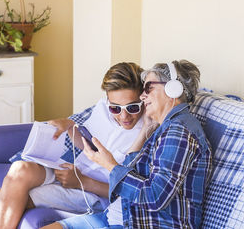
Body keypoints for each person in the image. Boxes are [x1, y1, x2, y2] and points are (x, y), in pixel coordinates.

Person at [43, 60, 213, 229]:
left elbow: (154, 197)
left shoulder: (179, 133)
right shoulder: (163, 128)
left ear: (172, 90)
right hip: (118, 217)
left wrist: (109, 165)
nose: (143, 96)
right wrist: (146, 129)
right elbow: (130, 170)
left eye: (148, 88)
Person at [0, 62, 146, 229]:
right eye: (115, 108)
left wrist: (81, 182)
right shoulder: (103, 108)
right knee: (20, 169)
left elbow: (131, 192)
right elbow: (87, 144)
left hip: (90, 192)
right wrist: (69, 125)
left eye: (132, 107)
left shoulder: (147, 133)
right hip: (72, 171)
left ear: (143, 99)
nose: (124, 116)